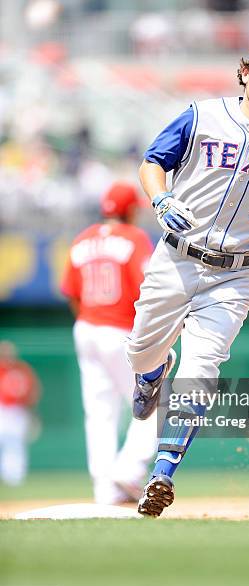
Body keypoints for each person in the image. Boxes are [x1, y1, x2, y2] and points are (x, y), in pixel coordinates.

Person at [126, 39, 249, 517]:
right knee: (139, 350)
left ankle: (163, 474)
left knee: (202, 370)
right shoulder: (202, 115)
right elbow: (152, 163)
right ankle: (152, 374)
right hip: (176, 259)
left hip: (234, 276)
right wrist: (160, 200)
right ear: (244, 73)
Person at [61, 181, 156, 505]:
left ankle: (105, 488)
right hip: (120, 331)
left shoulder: (82, 239)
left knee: (99, 413)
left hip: (86, 327)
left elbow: (72, 293)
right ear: (130, 210)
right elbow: (149, 288)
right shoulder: (133, 238)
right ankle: (128, 471)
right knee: (154, 403)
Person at [0, 341, 41, 486]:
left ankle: (14, 477)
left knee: (16, 444)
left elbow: (33, 392)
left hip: (18, 410)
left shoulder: (22, 369)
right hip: (2, 409)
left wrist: (32, 413)